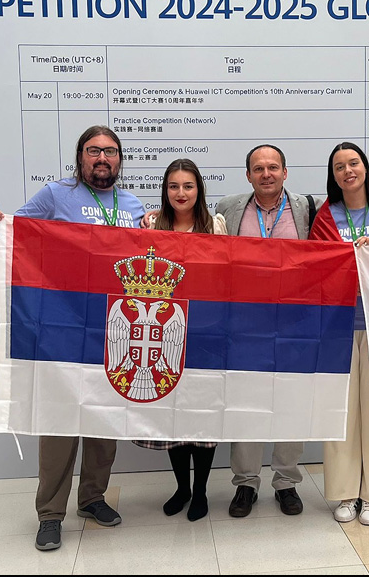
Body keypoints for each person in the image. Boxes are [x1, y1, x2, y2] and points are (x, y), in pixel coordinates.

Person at [0, 125, 146, 551]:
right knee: (59, 423)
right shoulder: (55, 195)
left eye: (110, 151)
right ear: (80, 156)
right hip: (62, 329)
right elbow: (17, 237)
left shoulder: (132, 205)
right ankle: (50, 514)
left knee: (104, 419)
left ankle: (92, 498)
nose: (102, 158)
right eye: (94, 150)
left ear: (120, 159)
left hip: (114, 328)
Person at [214, 144, 321, 518]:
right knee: (246, 403)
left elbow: (353, 213)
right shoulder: (228, 207)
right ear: (248, 176)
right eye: (258, 168)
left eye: (273, 167)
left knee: (292, 402)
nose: (266, 174)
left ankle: (286, 482)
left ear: (285, 172)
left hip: (295, 321)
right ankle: (246, 483)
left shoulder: (308, 208)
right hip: (245, 322)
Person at [308, 142, 369, 526]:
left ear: (365, 167)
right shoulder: (324, 218)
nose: (348, 171)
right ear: (332, 176)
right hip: (339, 326)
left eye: (354, 163)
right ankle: (346, 493)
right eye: (339, 167)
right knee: (342, 413)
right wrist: (351, 252)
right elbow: (316, 268)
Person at [131, 158, 226, 522]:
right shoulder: (153, 225)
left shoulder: (215, 225)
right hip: (166, 330)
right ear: (165, 191)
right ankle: (182, 487)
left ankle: (200, 491)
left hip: (207, 332)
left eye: (188, 186)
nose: (181, 193)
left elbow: (227, 274)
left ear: (199, 189)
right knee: (172, 415)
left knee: (202, 416)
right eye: (174, 186)